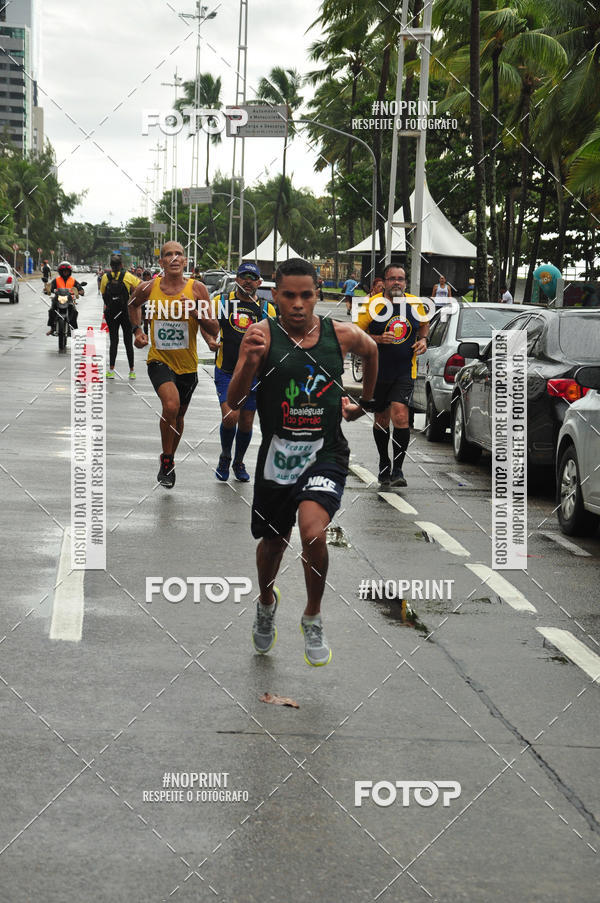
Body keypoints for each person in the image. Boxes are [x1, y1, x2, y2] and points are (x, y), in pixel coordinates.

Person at [227, 257, 378, 667]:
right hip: (279, 457)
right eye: (288, 295)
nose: (297, 304)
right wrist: (248, 362)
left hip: (325, 453)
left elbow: (373, 348)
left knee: (313, 533)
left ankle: (312, 614)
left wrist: (363, 402)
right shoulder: (260, 335)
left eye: (306, 295)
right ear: (273, 296)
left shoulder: (339, 335)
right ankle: (265, 601)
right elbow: (234, 402)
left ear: (318, 296)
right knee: (273, 543)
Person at [129, 241, 218, 489]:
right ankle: (166, 459)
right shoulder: (148, 287)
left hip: (188, 365)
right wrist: (137, 331)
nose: (175, 258)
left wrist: (197, 314)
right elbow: (132, 304)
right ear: (161, 262)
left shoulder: (197, 289)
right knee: (171, 405)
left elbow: (213, 327)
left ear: (185, 261)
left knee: (178, 418)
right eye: (169, 255)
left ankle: (170, 457)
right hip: (159, 360)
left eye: (179, 254)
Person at [356, 264, 429, 487]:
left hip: (405, 370)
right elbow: (357, 334)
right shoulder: (371, 305)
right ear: (384, 282)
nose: (397, 282)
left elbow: (424, 325)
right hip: (377, 371)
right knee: (381, 419)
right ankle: (383, 463)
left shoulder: (415, 304)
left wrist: (424, 340)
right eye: (392, 279)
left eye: (401, 279)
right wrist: (377, 340)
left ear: (405, 282)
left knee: (400, 415)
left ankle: (397, 469)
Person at [208, 261, 276, 483]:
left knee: (246, 423)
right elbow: (204, 322)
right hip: (227, 370)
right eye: (243, 276)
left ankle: (238, 461)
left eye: (252, 277)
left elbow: (275, 340)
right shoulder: (222, 302)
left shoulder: (267, 309)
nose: (247, 280)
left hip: (255, 375)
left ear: (259, 282)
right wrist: (210, 339)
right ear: (236, 279)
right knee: (230, 417)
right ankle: (225, 456)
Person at [100, 255, 141, 379]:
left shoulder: (105, 277)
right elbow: (140, 287)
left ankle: (111, 370)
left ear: (111, 266)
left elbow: (103, 293)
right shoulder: (128, 277)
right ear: (122, 265)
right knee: (128, 341)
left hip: (111, 314)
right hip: (125, 313)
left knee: (114, 341)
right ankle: (132, 371)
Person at [46, 261, 84, 334]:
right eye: (63, 271)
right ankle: (52, 328)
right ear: (60, 271)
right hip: (57, 299)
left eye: (67, 271)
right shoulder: (56, 280)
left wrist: (81, 291)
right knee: (51, 311)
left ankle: (74, 330)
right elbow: (50, 287)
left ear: (70, 272)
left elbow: (79, 287)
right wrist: (47, 290)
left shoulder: (73, 280)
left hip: (69, 299)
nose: (65, 272)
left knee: (74, 312)